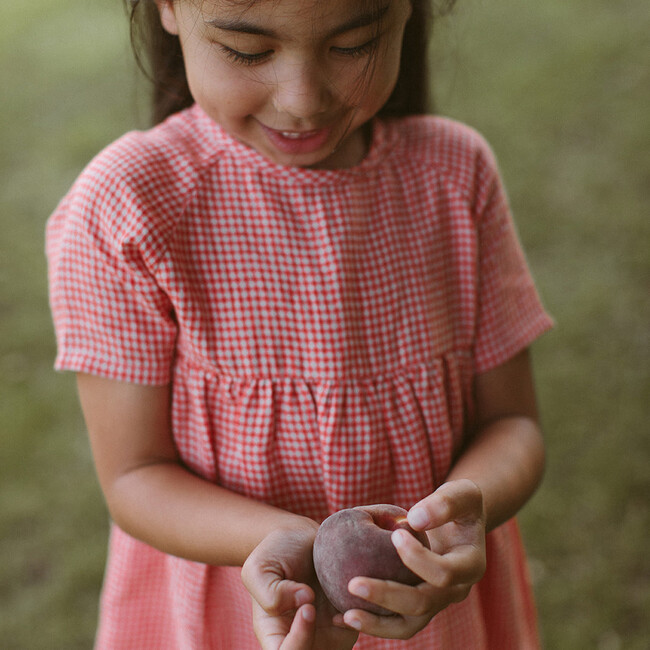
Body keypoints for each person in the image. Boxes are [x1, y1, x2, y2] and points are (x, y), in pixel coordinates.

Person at [46, 0, 553, 647]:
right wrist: (280, 541)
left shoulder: (455, 177)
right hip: (237, 613)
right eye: (249, 50)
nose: (302, 99)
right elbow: (133, 475)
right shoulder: (129, 206)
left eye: (353, 44)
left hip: (434, 617)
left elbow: (513, 423)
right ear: (168, 8)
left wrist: (467, 507)